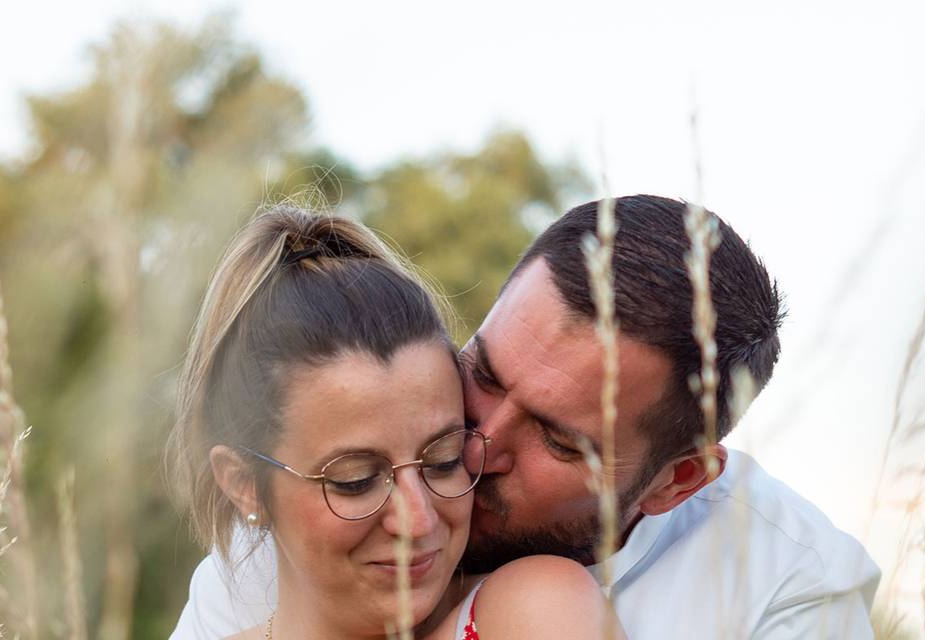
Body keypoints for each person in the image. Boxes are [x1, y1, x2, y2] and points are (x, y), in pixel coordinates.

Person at [173, 195, 880, 639]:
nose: (478, 444)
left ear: (677, 481)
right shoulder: (262, 555)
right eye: (482, 371)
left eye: (555, 438)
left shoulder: (789, 593)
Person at [166, 205, 616, 639]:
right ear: (243, 483)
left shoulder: (533, 610)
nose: (419, 521)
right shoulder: (214, 610)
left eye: (443, 460)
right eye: (356, 480)